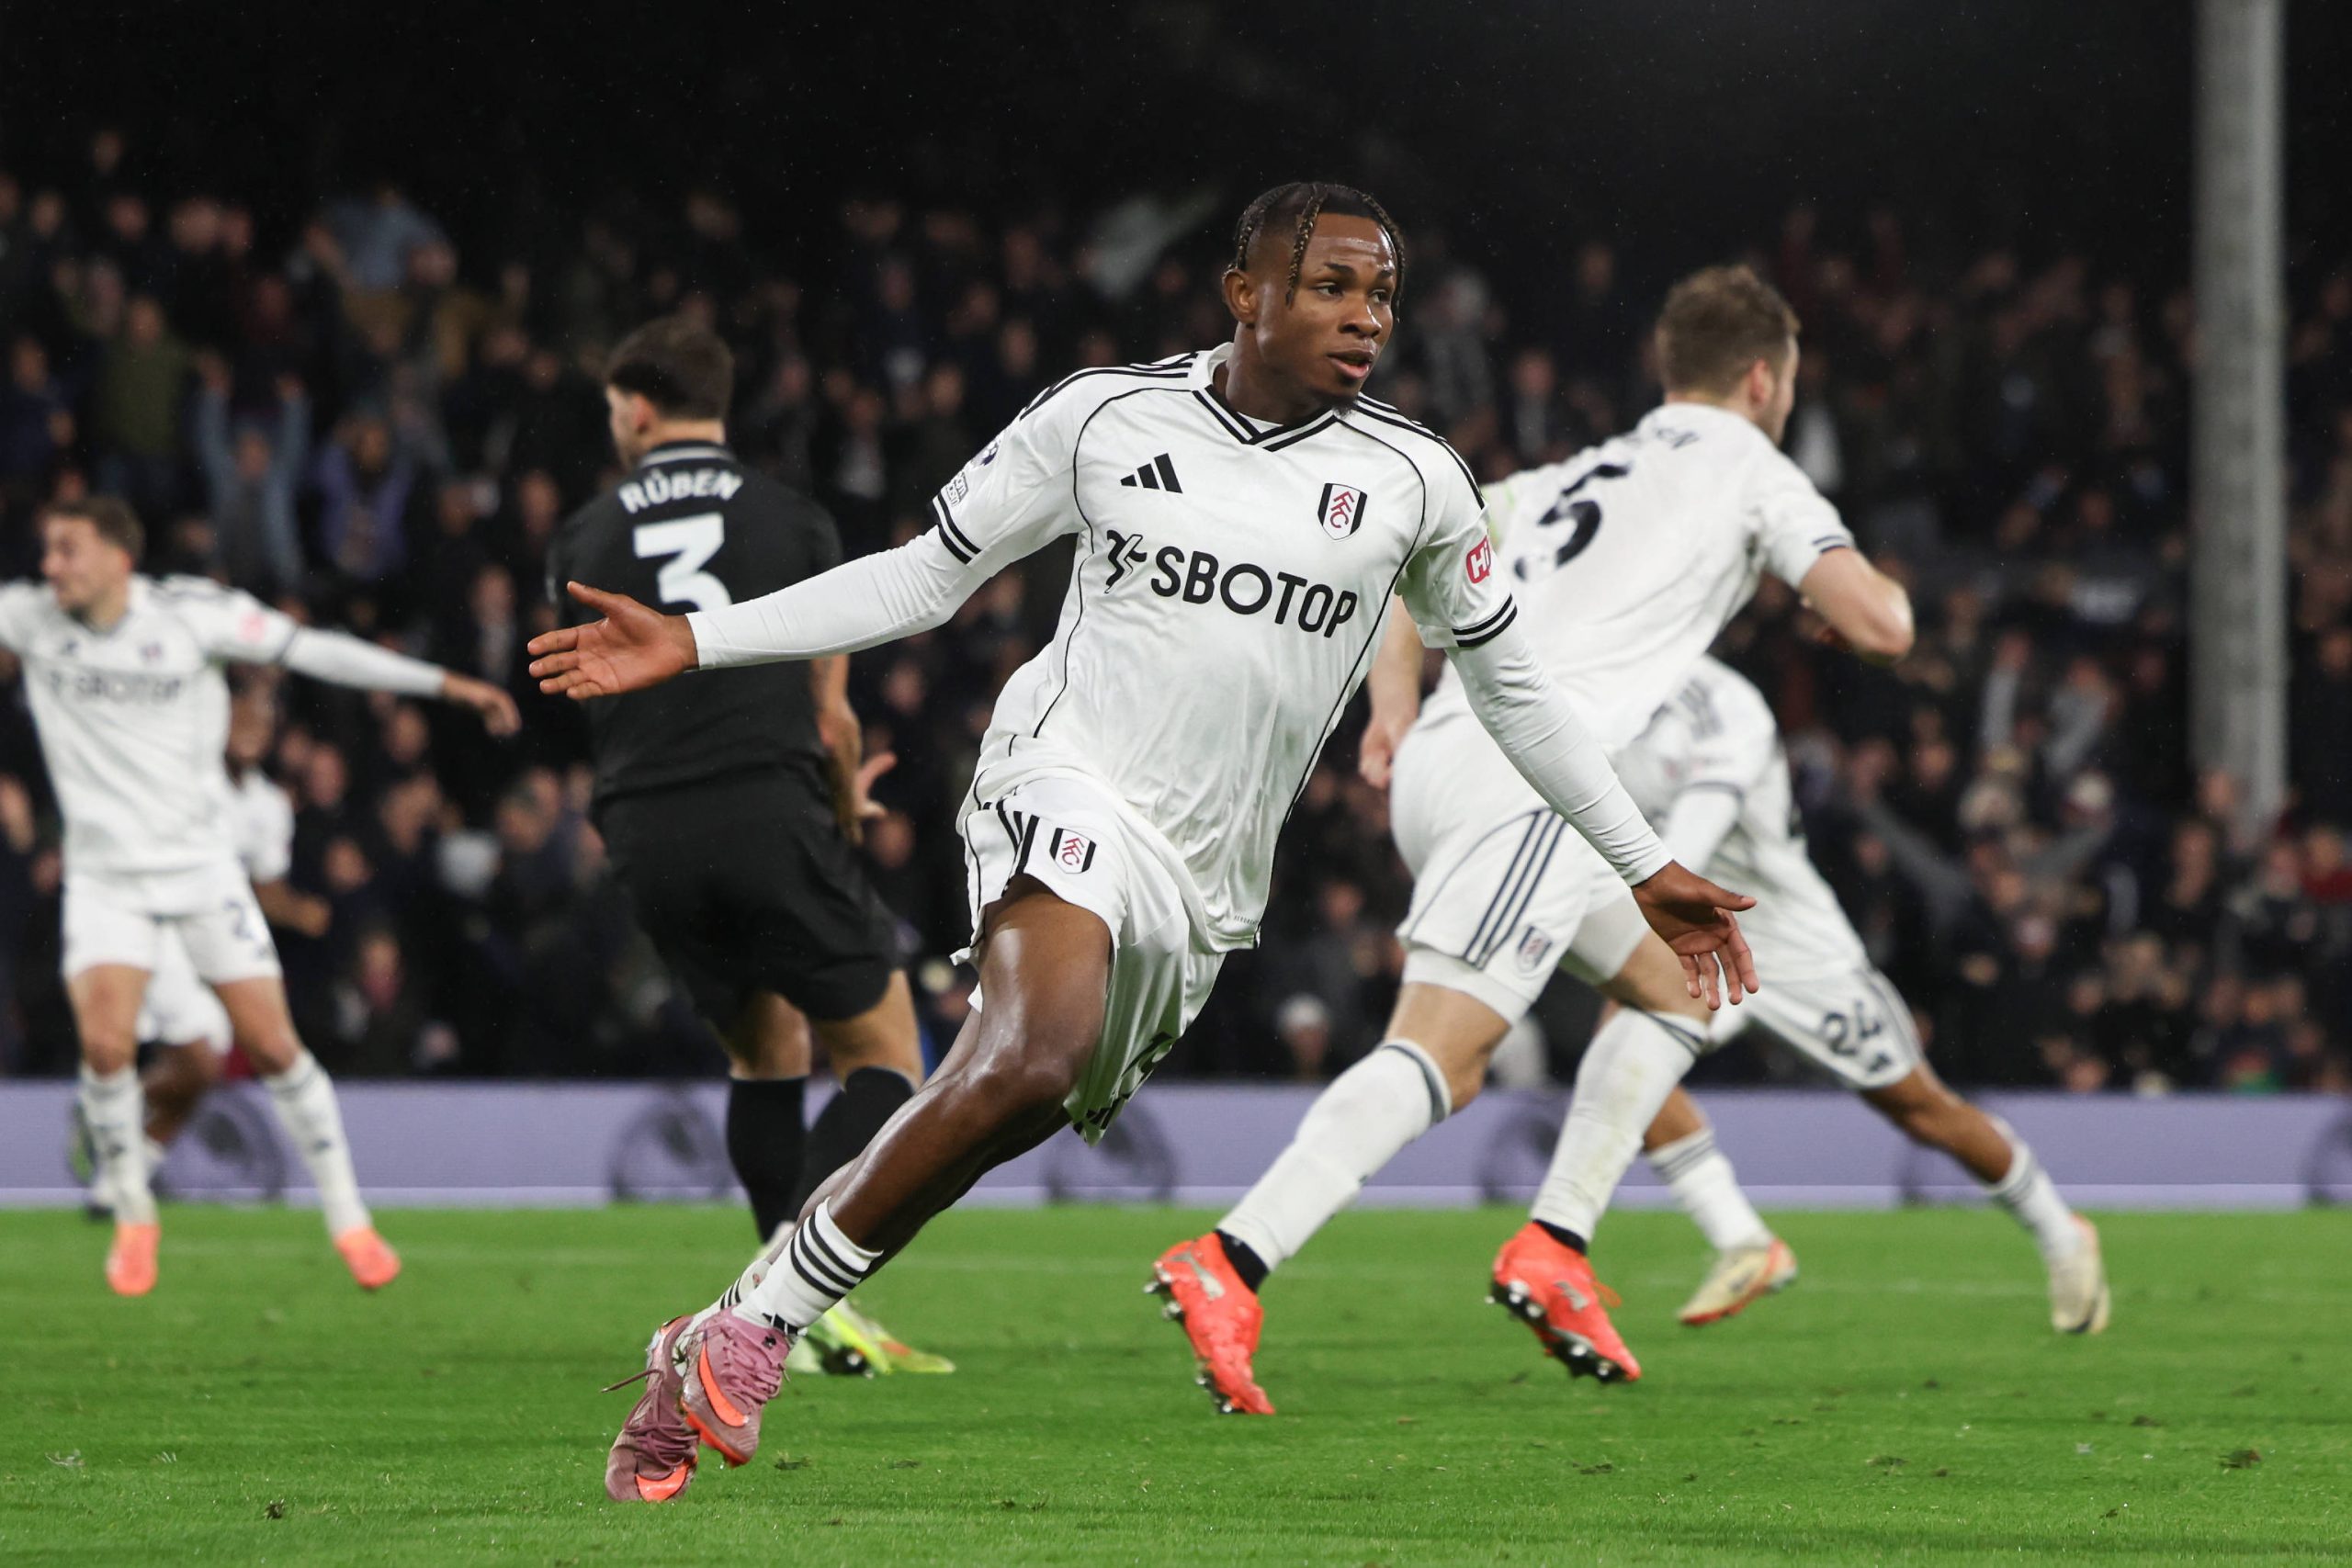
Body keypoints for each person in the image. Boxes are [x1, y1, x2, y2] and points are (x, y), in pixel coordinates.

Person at [531, 182, 1755, 1503]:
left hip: (1206, 875)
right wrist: (699, 636)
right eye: (1333, 285)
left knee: (1021, 1092)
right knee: (1032, 1045)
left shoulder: (1416, 482)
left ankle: (733, 1319)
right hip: (1064, 776)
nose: (1365, 316)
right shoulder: (1102, 418)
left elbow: (1513, 686)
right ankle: (759, 1336)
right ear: (1249, 293)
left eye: (1382, 294)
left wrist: (1641, 859)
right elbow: (920, 575)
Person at [1158, 265, 1912, 1411]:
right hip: (1532, 783)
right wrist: (1846, 588)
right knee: (1443, 1055)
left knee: (1687, 984)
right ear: (1764, 380)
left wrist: (1395, 706)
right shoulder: (1758, 471)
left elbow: (1421, 558)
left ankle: (1555, 1245)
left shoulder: (1571, 476)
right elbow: (1879, 625)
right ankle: (1232, 1257)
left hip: (1468, 764)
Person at [545, 316, 944, 1410]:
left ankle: (791, 1318)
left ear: (634, 408)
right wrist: (841, 811)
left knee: (766, 1050)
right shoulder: (789, 517)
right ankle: (772, 1302)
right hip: (766, 805)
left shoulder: (580, 534)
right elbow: (831, 716)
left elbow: (582, 698)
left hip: (645, 826)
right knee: (889, 1059)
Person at [0, 495, 517, 1295]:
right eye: (47, 550)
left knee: (273, 1047)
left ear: (116, 554)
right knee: (105, 1049)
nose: (50, 565)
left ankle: (350, 1217)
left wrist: (446, 684)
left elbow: (318, 652)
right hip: (105, 879)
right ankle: (134, 1212)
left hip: (201, 871)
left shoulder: (191, 616)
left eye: (67, 549)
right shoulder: (29, 618)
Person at [1611, 656, 2109, 1333]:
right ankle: (1740, 1237)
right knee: (1623, 1055)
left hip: (1795, 948)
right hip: (1697, 939)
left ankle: (2061, 1232)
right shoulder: (1595, 696)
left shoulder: (1716, 701)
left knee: (1921, 1109)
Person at [74, 680, 329, 1212]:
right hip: (162, 929)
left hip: (217, 947)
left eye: (262, 718)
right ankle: (111, 1124)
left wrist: (293, 908)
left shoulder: (270, 805)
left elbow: (265, 886)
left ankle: (120, 1172)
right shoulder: (186, 778)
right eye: (242, 715)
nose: (251, 728)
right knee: (198, 1059)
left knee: (200, 1068)